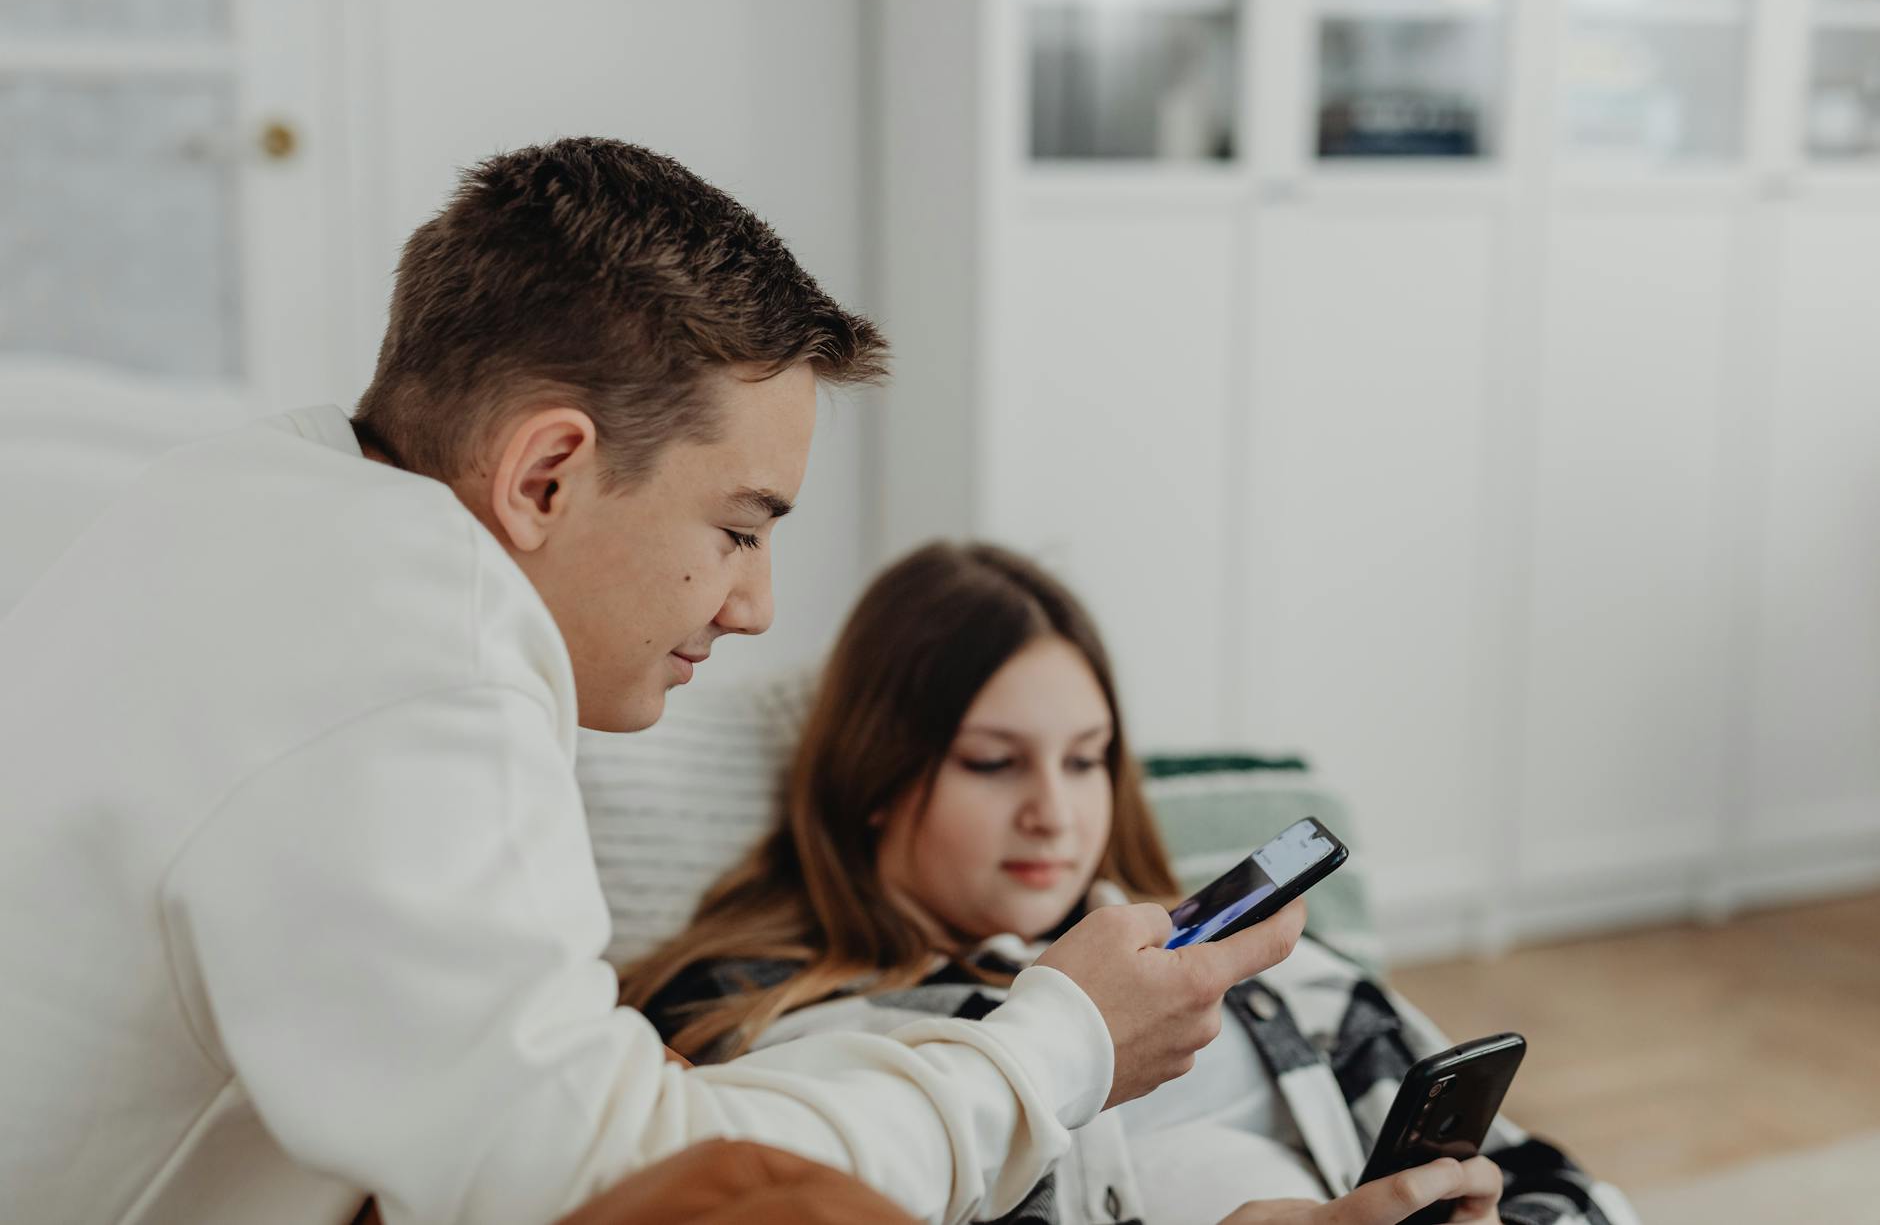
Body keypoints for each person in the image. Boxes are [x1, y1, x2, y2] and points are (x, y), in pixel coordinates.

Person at [0, 139, 1310, 1225]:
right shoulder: (417, 667)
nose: (757, 607)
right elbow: (658, 1196)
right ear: (544, 478)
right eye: (739, 529)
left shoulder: (247, 499)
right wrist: (1060, 1045)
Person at [624, 542, 1641, 1225]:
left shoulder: (1274, 973)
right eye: (992, 761)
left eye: (1084, 759)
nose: (1053, 814)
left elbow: (1560, 1179)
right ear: (875, 771)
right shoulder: (752, 1019)